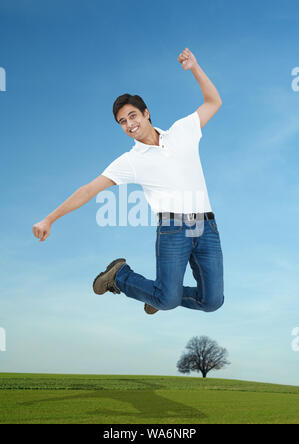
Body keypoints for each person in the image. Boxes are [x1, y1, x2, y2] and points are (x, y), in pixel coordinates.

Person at [33, 47, 224, 316]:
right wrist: (49, 219)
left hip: (206, 226)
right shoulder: (131, 161)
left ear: (146, 113)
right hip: (173, 230)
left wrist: (194, 67)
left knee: (213, 301)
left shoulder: (182, 131)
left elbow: (214, 101)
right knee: (168, 300)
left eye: (132, 116)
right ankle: (120, 276)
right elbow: (88, 189)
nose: (129, 124)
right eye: (122, 121)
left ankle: (155, 295)